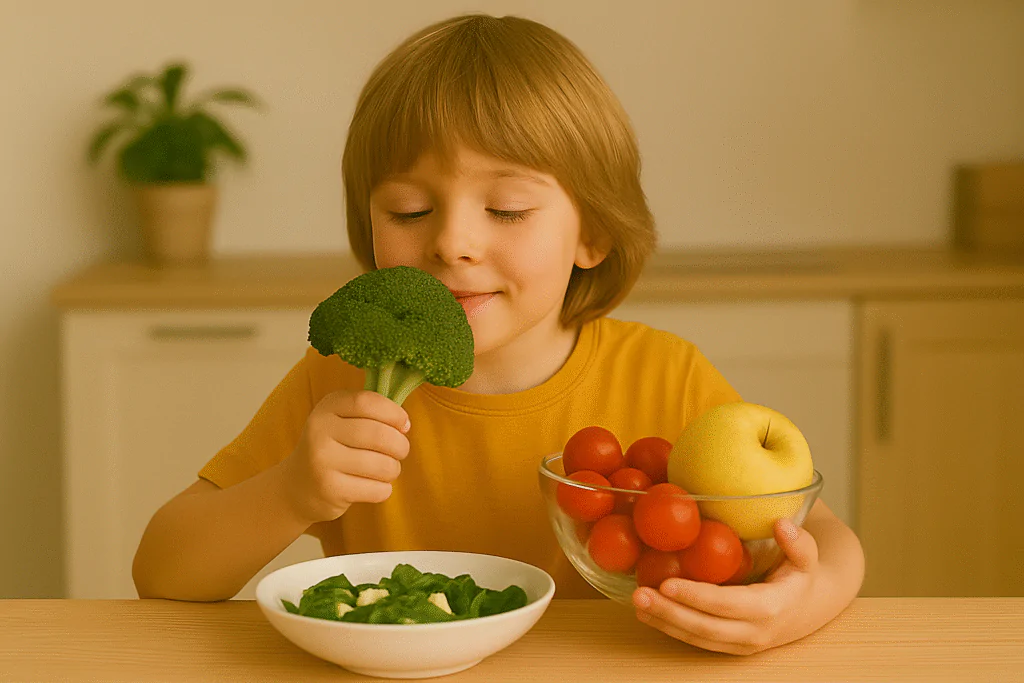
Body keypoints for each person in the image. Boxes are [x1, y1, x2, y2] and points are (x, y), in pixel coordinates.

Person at [132, 13, 864, 655]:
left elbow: (828, 541)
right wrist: (292, 491)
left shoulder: (665, 374)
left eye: (508, 209)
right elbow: (161, 573)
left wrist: (796, 605)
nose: (452, 243)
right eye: (411, 211)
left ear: (595, 233)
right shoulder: (341, 381)